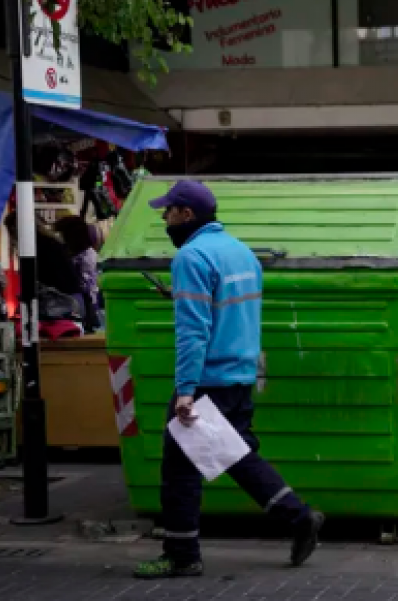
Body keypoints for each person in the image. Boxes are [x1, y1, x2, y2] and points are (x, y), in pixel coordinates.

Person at [133, 180, 324, 580]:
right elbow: (233, 312)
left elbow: (193, 332)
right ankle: (298, 516)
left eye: (168, 211)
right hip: (239, 374)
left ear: (187, 214)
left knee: (180, 470)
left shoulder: (191, 257)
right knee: (235, 455)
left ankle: (182, 555)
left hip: (207, 380)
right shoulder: (241, 253)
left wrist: (186, 391)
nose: (164, 218)